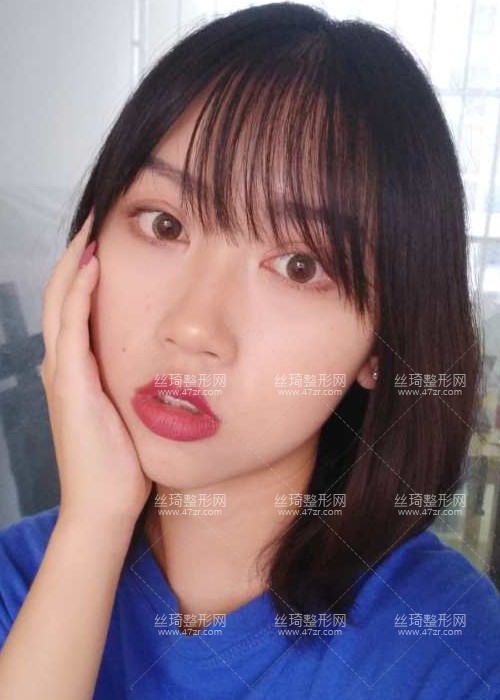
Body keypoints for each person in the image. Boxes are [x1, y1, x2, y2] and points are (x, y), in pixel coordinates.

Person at [0, 2, 499, 698]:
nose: (193, 327)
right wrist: (94, 526)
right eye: (165, 224)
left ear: (382, 346)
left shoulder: (449, 649)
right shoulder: (19, 578)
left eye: (300, 265)